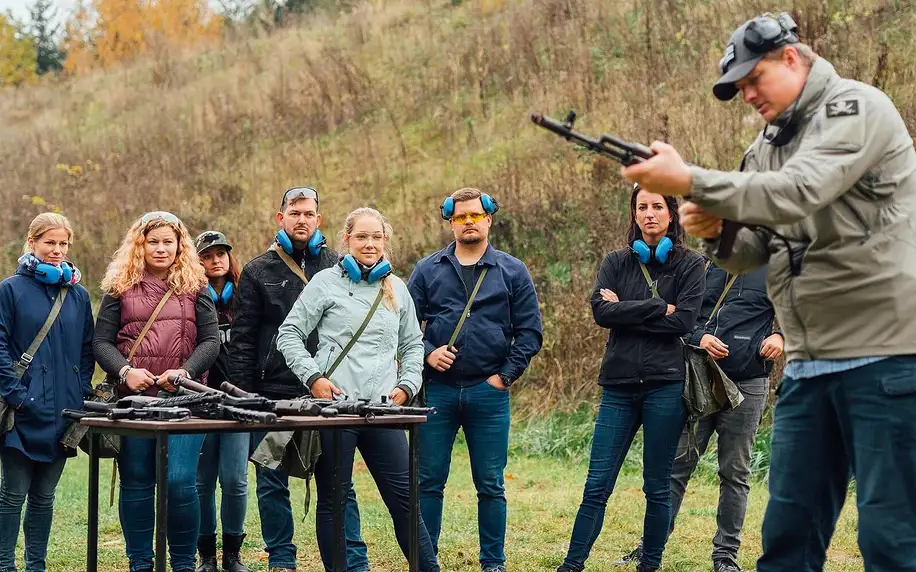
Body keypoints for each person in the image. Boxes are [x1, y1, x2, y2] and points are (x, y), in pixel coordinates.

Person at [621, 12, 916, 571]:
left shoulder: (856, 109)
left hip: (886, 354)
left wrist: (690, 180)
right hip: (809, 363)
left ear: (790, 57)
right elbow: (752, 252)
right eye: (738, 88)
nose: (747, 94)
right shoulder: (765, 146)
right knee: (786, 539)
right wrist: (716, 230)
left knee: (890, 539)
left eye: (754, 79)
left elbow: (799, 190)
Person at [277, 206, 440, 572]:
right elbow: (288, 335)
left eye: (377, 237)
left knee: (405, 502)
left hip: (383, 408)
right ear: (346, 240)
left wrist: (407, 384)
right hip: (336, 411)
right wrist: (314, 378)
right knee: (333, 500)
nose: (370, 243)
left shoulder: (396, 287)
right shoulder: (325, 283)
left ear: (386, 241)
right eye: (362, 237)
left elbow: (413, 344)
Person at [556, 185, 705, 572]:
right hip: (619, 388)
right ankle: (571, 566)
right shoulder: (615, 262)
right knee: (596, 486)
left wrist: (626, 307)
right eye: (642, 207)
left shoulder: (690, 265)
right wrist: (657, 306)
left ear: (671, 214)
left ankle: (649, 565)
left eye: (658, 206)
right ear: (634, 214)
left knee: (656, 488)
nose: (650, 213)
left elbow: (685, 322)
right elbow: (601, 314)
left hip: (665, 387)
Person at [228, 187, 368, 572]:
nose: (302, 219)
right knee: (272, 482)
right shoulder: (258, 271)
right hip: (273, 394)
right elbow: (242, 340)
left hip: (330, 393)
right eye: (294, 212)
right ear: (281, 218)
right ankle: (282, 560)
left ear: (319, 220)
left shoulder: (340, 265)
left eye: (309, 213)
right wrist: (246, 397)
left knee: (338, 483)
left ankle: (351, 561)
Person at [408, 187, 543, 572]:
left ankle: (493, 563)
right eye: (460, 217)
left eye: (475, 215)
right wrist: (426, 354)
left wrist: (504, 377)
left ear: (489, 219)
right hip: (438, 392)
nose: (468, 222)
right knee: (428, 482)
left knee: (491, 484)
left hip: (489, 393)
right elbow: (400, 330)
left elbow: (530, 333)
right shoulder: (426, 269)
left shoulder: (513, 270)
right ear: (450, 221)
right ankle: (425, 560)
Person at [620, 264, 783, 572]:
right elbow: (679, 317)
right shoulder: (702, 267)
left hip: (748, 382)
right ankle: (650, 547)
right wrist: (700, 337)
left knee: (734, 473)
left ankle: (725, 557)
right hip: (700, 378)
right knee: (675, 467)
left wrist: (780, 336)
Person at [93, 211, 220, 572]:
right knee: (137, 479)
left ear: (180, 245)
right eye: (154, 242)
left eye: (168, 241)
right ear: (140, 244)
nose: (161, 248)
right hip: (134, 401)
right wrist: (125, 371)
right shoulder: (119, 286)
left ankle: (182, 563)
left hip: (186, 399)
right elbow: (101, 342)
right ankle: (140, 563)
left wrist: (185, 372)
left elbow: (211, 342)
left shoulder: (196, 287)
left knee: (180, 481)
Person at [0, 213, 95, 572]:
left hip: (63, 414)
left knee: (44, 497)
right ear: (32, 243)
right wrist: (16, 394)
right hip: (20, 413)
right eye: (49, 243)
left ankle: (35, 565)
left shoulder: (78, 294)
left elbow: (87, 349)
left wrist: (80, 391)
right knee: (12, 496)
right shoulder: (10, 289)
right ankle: (5, 565)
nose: (56, 250)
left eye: (63, 244)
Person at [193, 231, 249, 572]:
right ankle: (207, 557)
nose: (216, 260)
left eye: (221, 254)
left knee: (235, 479)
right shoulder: (188, 299)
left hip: (238, 403)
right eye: (208, 255)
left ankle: (232, 554)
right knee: (202, 480)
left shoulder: (244, 299)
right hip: (199, 400)